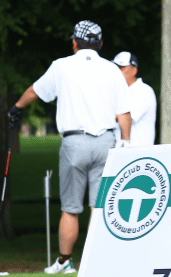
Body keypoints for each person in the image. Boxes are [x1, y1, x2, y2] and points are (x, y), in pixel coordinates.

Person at [7, 20, 130, 274]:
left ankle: (65, 261)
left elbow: (35, 91)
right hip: (106, 143)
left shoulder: (61, 66)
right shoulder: (112, 70)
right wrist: (125, 142)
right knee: (99, 206)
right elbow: (124, 113)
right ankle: (98, 262)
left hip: (74, 143)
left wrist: (17, 108)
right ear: (100, 44)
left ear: (74, 43)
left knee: (70, 208)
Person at [111, 52, 157, 146]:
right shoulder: (115, 91)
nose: (117, 71)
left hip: (139, 151)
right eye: (116, 68)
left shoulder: (144, 91)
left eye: (121, 68)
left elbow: (125, 117)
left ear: (134, 70)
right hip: (120, 150)